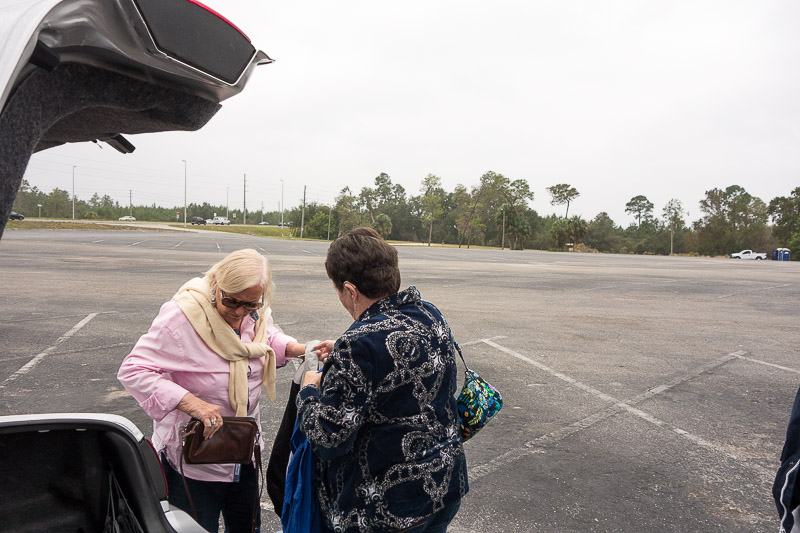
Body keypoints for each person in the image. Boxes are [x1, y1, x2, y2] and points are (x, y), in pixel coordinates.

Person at [117, 248, 332, 533]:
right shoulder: (181, 319)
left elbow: (264, 338)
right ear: (216, 284)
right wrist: (192, 403)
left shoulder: (254, 315)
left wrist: (298, 349)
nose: (239, 312)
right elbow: (134, 369)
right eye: (231, 302)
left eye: (250, 305)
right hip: (195, 462)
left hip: (242, 452)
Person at [296, 227, 468, 533]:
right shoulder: (429, 313)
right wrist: (344, 358)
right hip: (443, 487)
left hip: (388, 508)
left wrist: (310, 389)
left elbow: (329, 437)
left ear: (350, 290)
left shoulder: (359, 344)